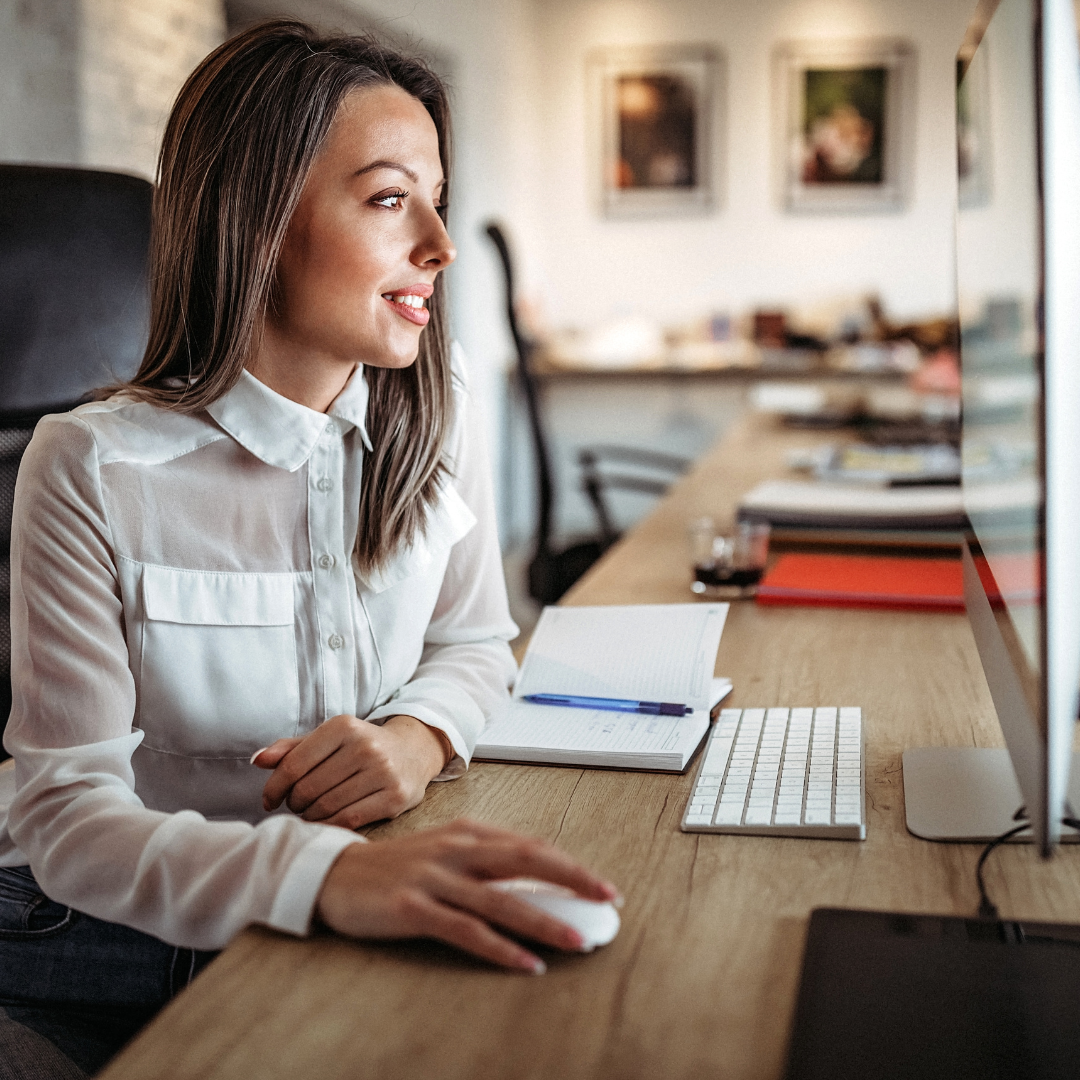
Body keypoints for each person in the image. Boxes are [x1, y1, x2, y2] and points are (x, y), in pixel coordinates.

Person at [0, 20, 617, 1076]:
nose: (440, 242)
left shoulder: (442, 405)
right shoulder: (89, 466)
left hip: (345, 901)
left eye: (438, 199)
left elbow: (476, 642)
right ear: (260, 222)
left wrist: (418, 738)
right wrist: (318, 879)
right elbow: (64, 818)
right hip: (100, 944)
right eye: (388, 200)